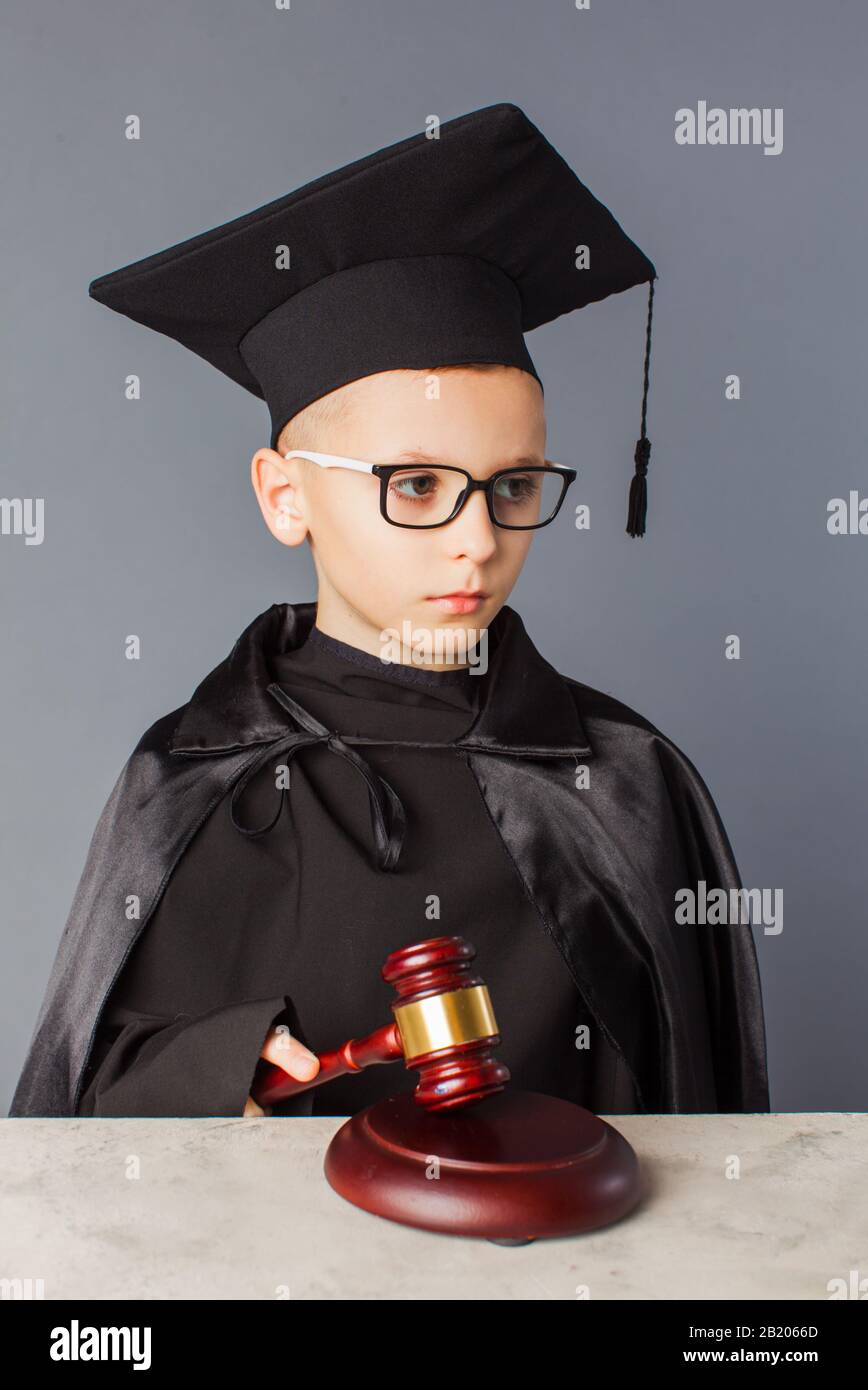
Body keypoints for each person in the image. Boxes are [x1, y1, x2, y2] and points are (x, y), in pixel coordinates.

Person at [9, 102, 770, 1119]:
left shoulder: (625, 781)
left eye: (512, 486)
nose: (477, 541)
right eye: (415, 486)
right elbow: (89, 1113)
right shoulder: (188, 777)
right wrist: (223, 1069)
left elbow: (700, 1131)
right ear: (286, 496)